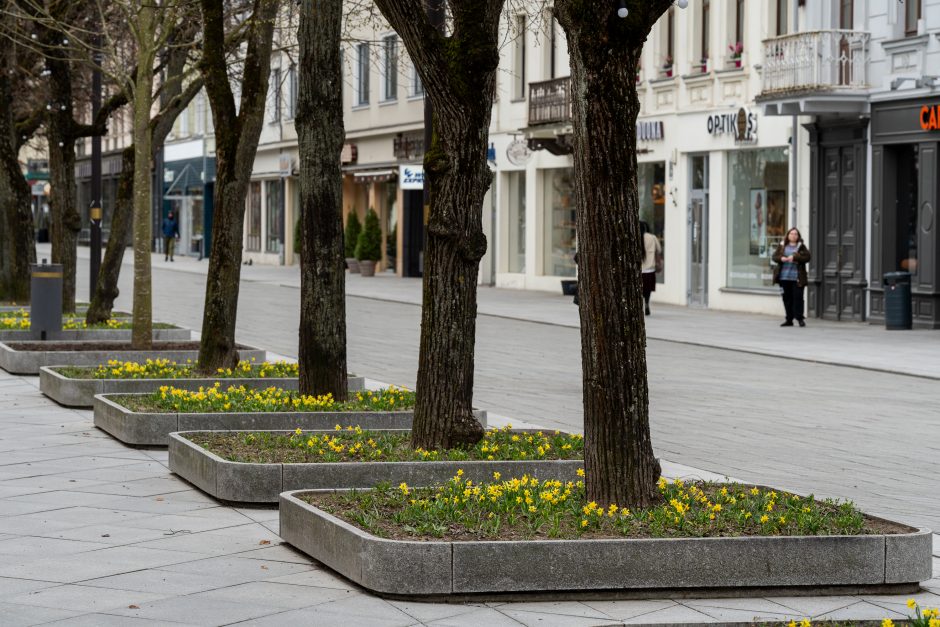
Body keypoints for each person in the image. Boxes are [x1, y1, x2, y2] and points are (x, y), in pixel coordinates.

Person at [772, 227, 811, 327]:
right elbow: (774, 257)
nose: (793, 235)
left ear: (798, 236)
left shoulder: (801, 247)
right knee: (786, 298)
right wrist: (781, 258)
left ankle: (800, 319)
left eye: (795, 234)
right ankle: (789, 319)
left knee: (798, 298)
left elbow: (807, 257)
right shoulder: (782, 246)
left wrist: (795, 257)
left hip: (797, 278)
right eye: (791, 234)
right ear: (788, 235)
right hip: (784, 278)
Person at [640, 221, 662, 316]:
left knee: (639, 289)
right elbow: (659, 249)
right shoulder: (652, 237)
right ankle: (647, 303)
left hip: (639, 270)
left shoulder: (634, 237)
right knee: (647, 289)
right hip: (650, 269)